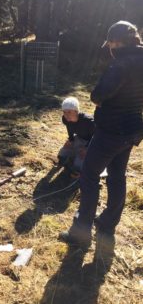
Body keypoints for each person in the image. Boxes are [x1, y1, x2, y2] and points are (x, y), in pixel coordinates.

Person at [59, 21, 143, 249]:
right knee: (117, 176)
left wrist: (98, 91)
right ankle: (107, 224)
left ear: (118, 41)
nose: (109, 48)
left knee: (89, 175)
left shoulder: (120, 65)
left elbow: (98, 96)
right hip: (132, 130)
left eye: (111, 43)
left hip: (110, 131)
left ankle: (81, 233)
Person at [58, 97, 95, 176]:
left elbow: (96, 136)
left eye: (69, 112)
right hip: (79, 138)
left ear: (76, 111)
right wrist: (70, 139)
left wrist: (87, 148)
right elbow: (69, 127)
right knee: (62, 154)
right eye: (64, 112)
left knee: (78, 165)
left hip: (91, 142)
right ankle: (71, 158)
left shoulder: (89, 121)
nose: (66, 115)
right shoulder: (65, 119)